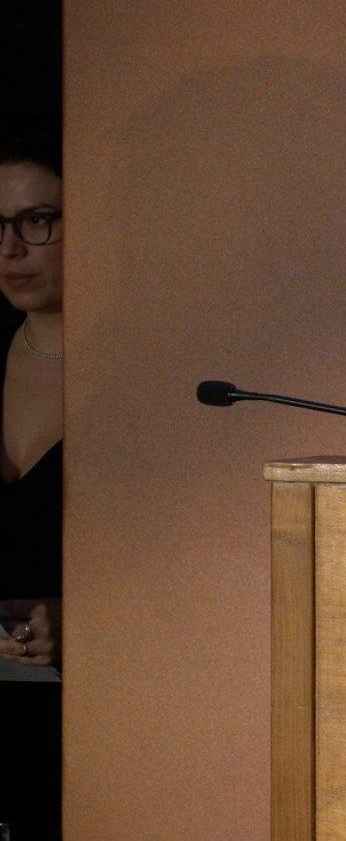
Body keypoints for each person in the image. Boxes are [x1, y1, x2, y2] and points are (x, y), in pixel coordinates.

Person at [0, 124, 64, 837]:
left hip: (82, 725)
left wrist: (76, 625)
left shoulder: (132, 375)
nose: (10, 249)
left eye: (36, 220)